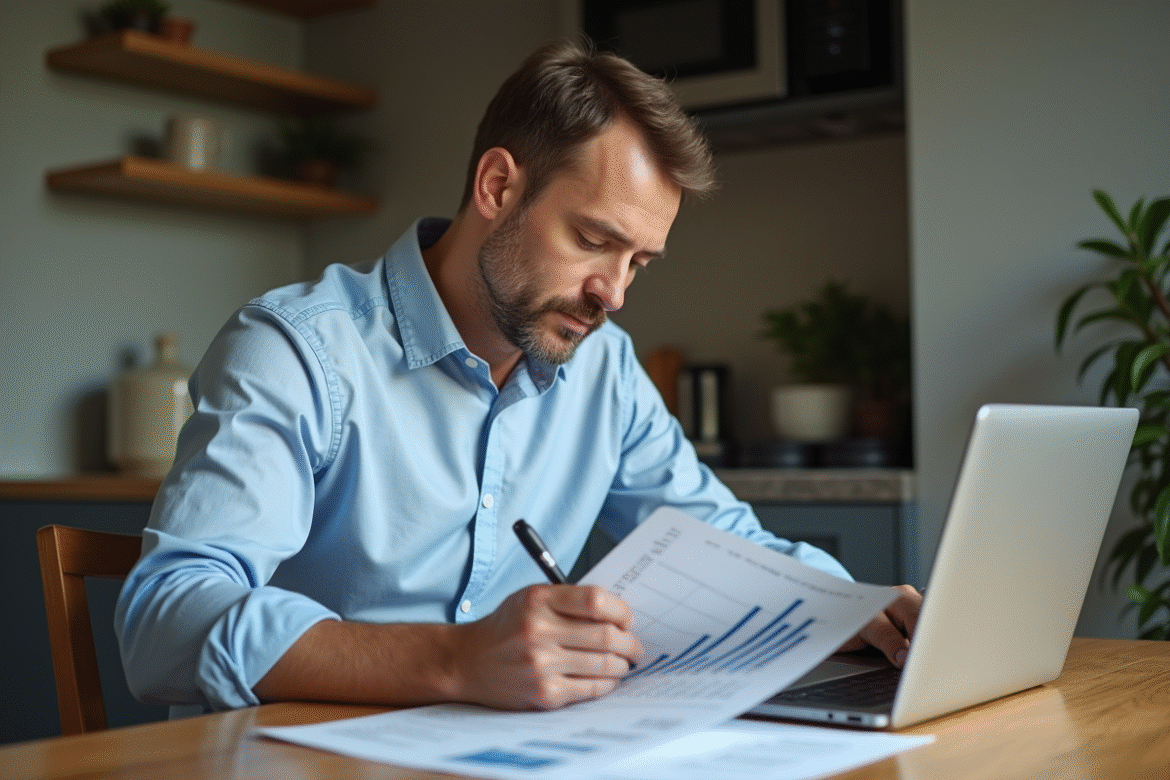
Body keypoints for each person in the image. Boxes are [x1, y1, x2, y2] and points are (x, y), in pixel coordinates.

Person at [115, 39, 921, 717]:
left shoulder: (604, 367)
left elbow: (728, 546)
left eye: (639, 261)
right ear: (498, 187)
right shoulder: (296, 350)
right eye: (594, 239)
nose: (615, 292)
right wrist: (453, 661)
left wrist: (855, 605)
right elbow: (165, 620)